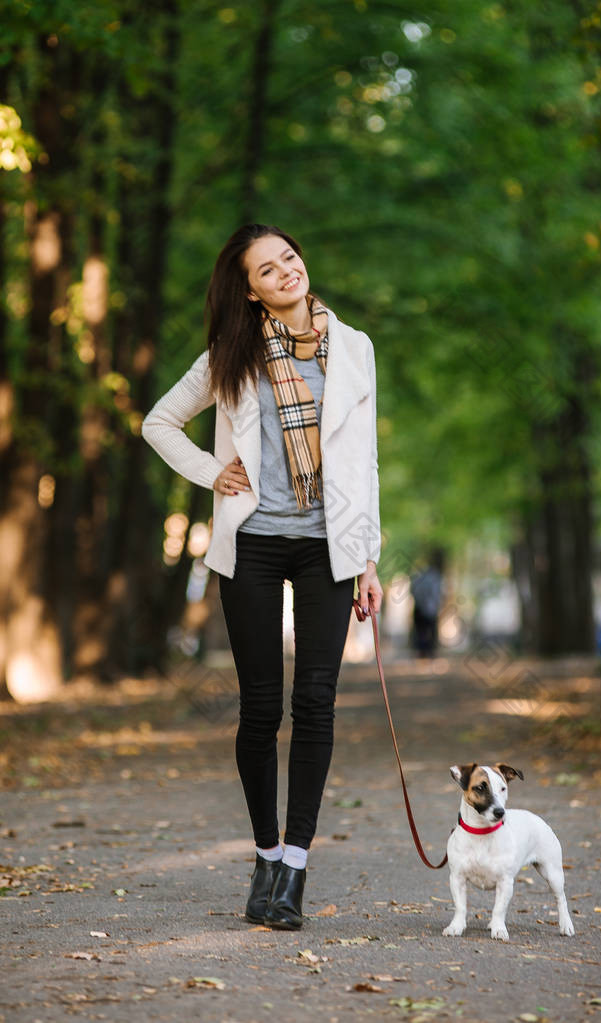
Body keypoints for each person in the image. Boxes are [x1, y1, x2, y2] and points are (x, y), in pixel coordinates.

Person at [142, 224, 382, 930]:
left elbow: (362, 461)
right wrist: (211, 471)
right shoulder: (231, 354)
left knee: (316, 702)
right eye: (267, 269)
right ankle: (265, 851)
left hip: (327, 549)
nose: (286, 272)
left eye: (290, 258)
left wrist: (367, 556)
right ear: (248, 289)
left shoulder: (355, 348)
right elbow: (158, 422)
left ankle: (295, 870)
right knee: (259, 708)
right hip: (250, 544)